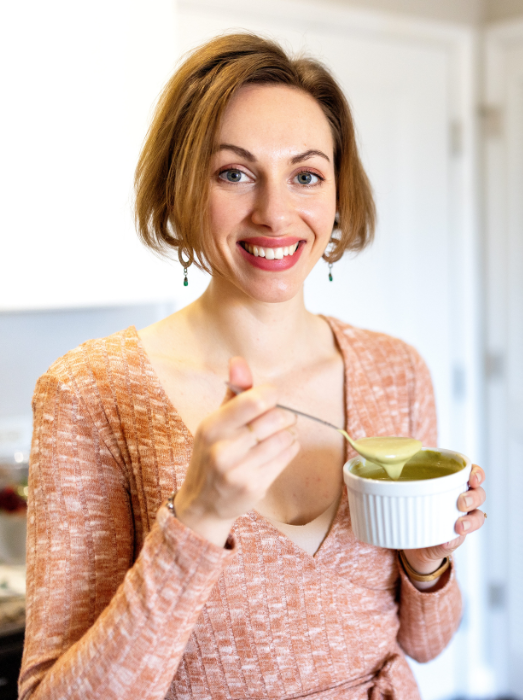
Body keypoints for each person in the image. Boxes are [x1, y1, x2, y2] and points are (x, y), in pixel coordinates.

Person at [20, 33, 486, 700]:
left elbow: (424, 643)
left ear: (336, 194)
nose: (274, 213)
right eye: (234, 173)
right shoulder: (89, 394)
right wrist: (198, 518)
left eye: (306, 175)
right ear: (182, 188)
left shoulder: (395, 371)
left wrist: (427, 562)